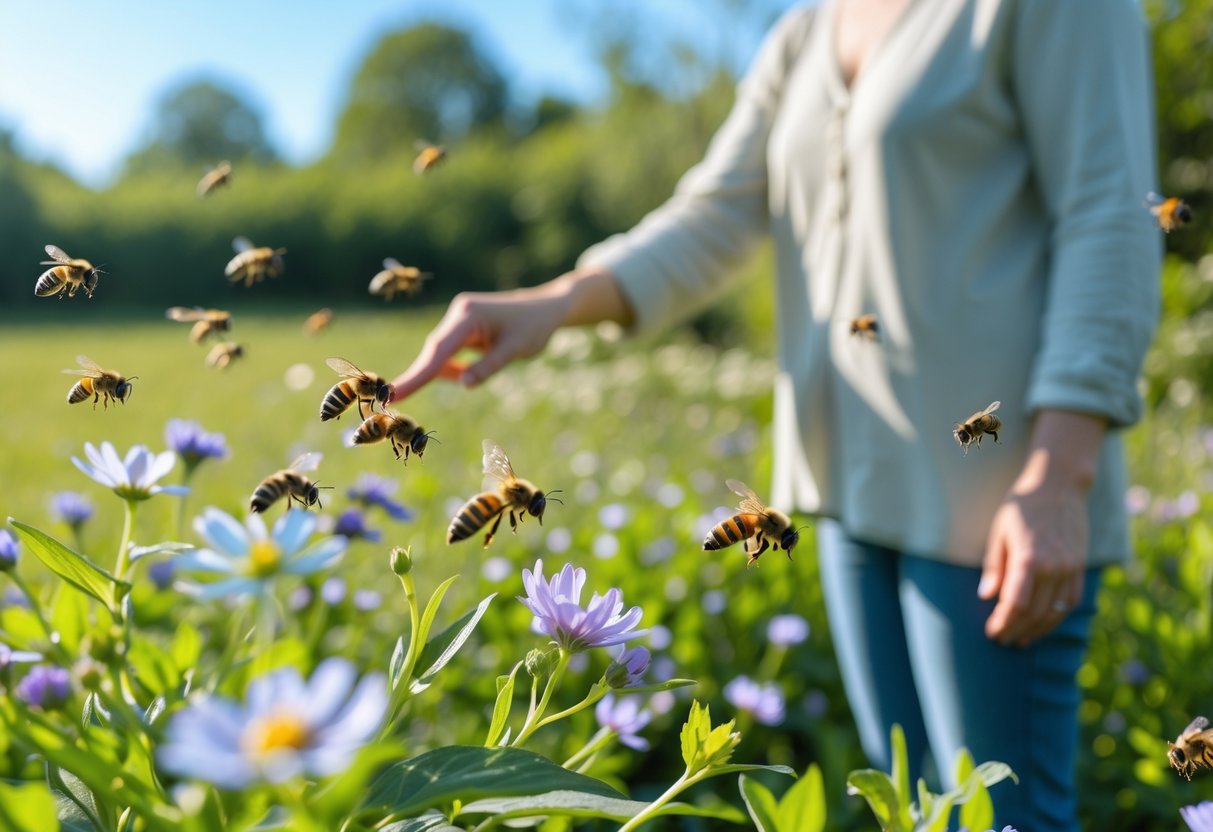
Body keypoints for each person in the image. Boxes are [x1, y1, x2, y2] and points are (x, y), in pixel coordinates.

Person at [390, 1, 1160, 829]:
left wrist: (1056, 476)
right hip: (843, 489)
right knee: (914, 811)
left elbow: (1109, 218)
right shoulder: (808, 27)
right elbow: (716, 212)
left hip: (998, 504)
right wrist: (554, 301)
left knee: (1001, 817)